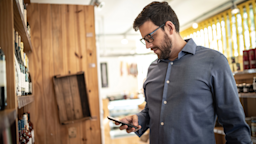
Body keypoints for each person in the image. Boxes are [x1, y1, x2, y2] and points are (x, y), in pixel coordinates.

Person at [115, 1, 253, 144]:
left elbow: (235, 125)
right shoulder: (153, 68)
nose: (148, 45)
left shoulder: (214, 61)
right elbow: (153, 110)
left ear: (169, 27)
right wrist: (140, 119)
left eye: (150, 37)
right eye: (145, 40)